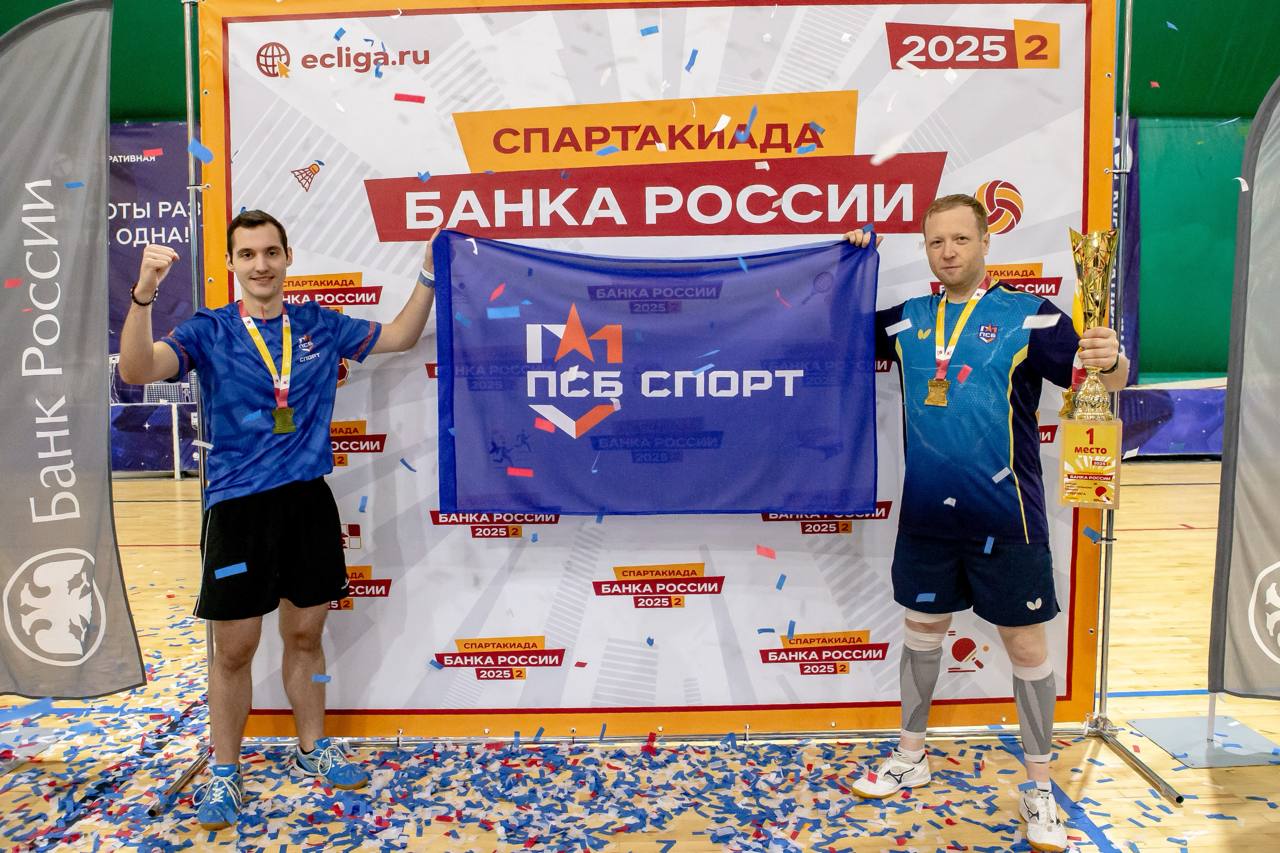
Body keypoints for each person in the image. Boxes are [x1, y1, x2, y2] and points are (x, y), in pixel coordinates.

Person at [118, 210, 438, 831]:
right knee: (234, 650)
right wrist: (144, 294)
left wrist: (427, 272)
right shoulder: (210, 330)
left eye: (270, 252)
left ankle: (313, 747)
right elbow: (135, 370)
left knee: (306, 637)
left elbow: (401, 335)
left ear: (288, 257)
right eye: (248, 254)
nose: (260, 264)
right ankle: (225, 772)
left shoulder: (318, 323)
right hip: (238, 509)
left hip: (307, 503)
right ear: (232, 263)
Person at [844, 195, 1128, 852]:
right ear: (926, 248)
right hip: (926, 519)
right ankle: (910, 755)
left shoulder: (1030, 314)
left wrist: (1110, 357)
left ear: (984, 242)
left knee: (1026, 650)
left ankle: (1040, 787)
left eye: (960, 239)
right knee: (922, 633)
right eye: (936, 241)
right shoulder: (908, 320)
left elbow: (1105, 381)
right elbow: (833, 327)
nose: (948, 252)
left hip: (1010, 517)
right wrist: (847, 262)